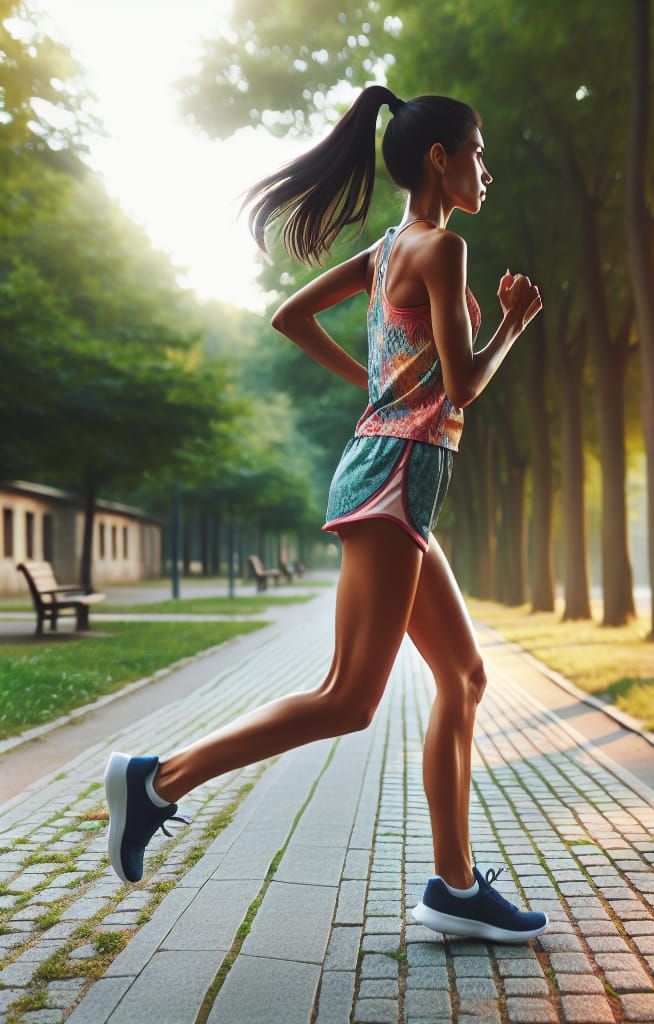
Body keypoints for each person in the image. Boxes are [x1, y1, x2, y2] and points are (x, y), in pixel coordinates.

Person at [103, 85, 546, 943]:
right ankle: (156, 783)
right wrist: (512, 326)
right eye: (477, 154)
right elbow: (462, 388)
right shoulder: (442, 250)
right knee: (349, 698)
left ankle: (455, 888)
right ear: (438, 161)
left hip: (399, 481)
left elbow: (289, 314)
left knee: (464, 677)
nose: (485, 170)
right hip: (394, 483)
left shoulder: (388, 251)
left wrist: (377, 392)